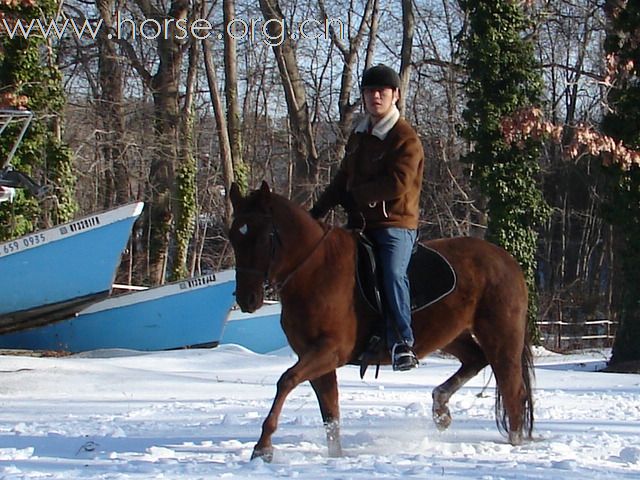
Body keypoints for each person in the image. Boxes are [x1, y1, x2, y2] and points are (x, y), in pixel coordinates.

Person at [309, 64, 425, 371]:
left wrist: (357, 196)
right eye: (370, 91)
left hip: (394, 224)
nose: (376, 96)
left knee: (391, 273)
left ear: (395, 96)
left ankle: (402, 342)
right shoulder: (359, 135)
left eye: (382, 92)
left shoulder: (405, 139)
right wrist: (317, 211)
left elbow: (398, 183)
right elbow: (341, 180)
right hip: (360, 224)